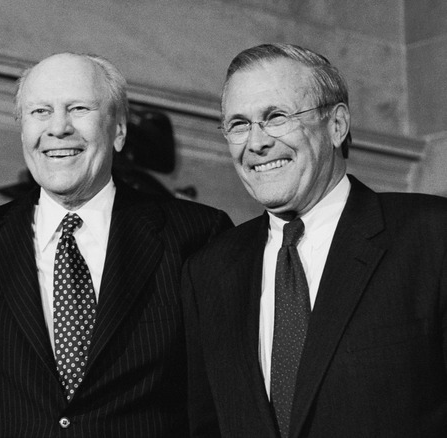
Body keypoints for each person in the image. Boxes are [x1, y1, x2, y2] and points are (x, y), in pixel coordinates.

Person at [0, 52, 233, 437]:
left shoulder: (195, 236)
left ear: (118, 130)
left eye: (78, 108)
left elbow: (221, 401)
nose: (58, 128)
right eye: (40, 112)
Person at [183, 43, 447, 437]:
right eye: (239, 124)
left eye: (276, 117)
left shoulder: (431, 235)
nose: (256, 143)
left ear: (337, 125)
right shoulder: (209, 271)